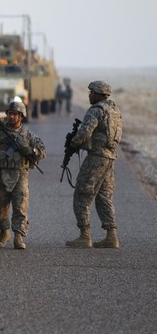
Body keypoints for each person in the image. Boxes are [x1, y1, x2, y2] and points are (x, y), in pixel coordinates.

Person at [66, 80, 122, 249]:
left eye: (92, 92)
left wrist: (74, 144)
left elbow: (85, 132)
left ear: (99, 94)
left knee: (82, 194)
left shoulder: (96, 110)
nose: (90, 95)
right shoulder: (114, 110)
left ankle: (85, 235)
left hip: (97, 158)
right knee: (104, 196)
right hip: (110, 157)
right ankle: (111, 235)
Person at [0, 101, 46, 249]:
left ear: (21, 116)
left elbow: (42, 149)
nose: (12, 117)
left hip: (20, 174)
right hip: (1, 175)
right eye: (10, 114)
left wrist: (31, 152)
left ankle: (19, 236)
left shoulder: (27, 134)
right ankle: (4, 232)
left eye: (15, 114)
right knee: (0, 206)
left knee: (20, 206)